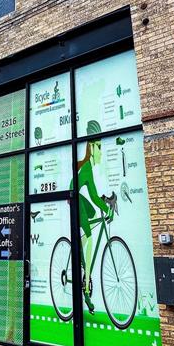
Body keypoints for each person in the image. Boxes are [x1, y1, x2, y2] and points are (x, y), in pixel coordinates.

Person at [73, 120, 113, 314]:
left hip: (79, 198)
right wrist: (106, 208)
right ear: (91, 147)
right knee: (89, 235)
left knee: (92, 214)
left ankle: (78, 246)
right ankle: (86, 289)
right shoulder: (86, 167)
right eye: (98, 147)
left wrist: (106, 209)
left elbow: (95, 196)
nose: (100, 151)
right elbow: (93, 196)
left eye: (101, 147)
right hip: (73, 197)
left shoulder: (88, 168)